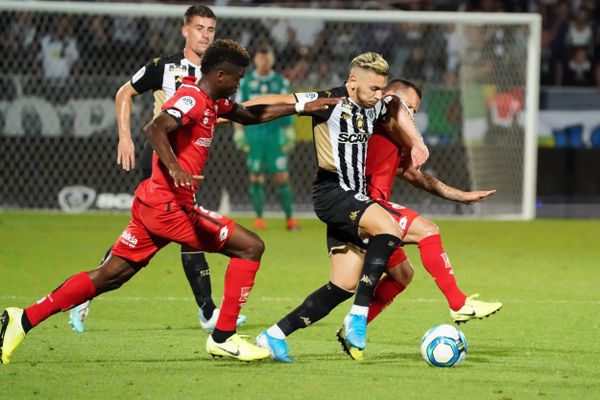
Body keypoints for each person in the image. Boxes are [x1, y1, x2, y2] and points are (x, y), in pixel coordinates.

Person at [0, 39, 342, 364]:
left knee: (111, 275)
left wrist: (298, 106)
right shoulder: (192, 97)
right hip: (170, 208)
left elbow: (250, 115)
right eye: (237, 77)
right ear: (220, 76)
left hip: (153, 204)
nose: (240, 83)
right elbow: (155, 128)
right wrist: (176, 168)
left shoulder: (214, 100)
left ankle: (23, 318)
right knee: (250, 247)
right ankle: (223, 338)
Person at [69, 4, 239, 334]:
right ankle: (208, 313)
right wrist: (124, 137)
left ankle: (86, 293)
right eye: (199, 28)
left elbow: (214, 113)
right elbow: (124, 92)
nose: (205, 34)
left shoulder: (218, 72)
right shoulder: (165, 67)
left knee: (146, 237)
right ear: (185, 31)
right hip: (162, 160)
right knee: (186, 232)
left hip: (190, 160)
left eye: (210, 30)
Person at [251, 52, 429, 362]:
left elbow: (397, 107)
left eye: (382, 88)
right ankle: (357, 317)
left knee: (343, 284)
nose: (379, 95)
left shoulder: (375, 106)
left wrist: (417, 142)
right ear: (352, 81)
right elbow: (274, 99)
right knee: (388, 226)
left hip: (355, 199)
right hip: (332, 191)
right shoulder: (328, 102)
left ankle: (274, 335)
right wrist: (231, 111)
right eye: (373, 88)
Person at [334, 78, 502, 360]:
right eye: (408, 106)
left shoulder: (397, 138)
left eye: (414, 109)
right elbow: (393, 107)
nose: (411, 113)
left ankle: (351, 329)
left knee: (402, 275)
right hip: (364, 207)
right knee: (427, 230)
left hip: (370, 211)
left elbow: (417, 176)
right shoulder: (380, 120)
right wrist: (415, 138)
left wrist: (462, 196)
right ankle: (458, 303)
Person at [234, 45, 299, 230]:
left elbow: (290, 107)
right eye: (261, 57)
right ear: (255, 59)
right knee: (255, 176)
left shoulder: (281, 82)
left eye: (267, 57)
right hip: (254, 136)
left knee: (281, 176)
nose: (264, 61)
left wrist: (289, 131)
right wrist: (239, 132)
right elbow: (237, 109)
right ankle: (259, 218)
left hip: (275, 136)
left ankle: (290, 218)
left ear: (272, 59)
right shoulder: (245, 83)